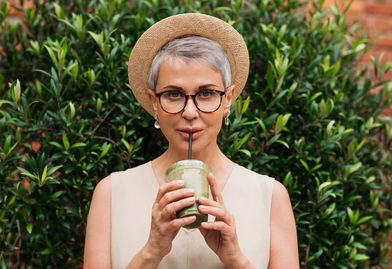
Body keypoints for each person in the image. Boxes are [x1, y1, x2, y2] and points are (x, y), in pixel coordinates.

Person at [83, 13, 299, 269]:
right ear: (154, 102)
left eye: (206, 93)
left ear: (228, 99)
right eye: (174, 94)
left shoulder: (270, 197)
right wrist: (152, 251)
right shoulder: (111, 194)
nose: (189, 112)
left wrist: (236, 260)